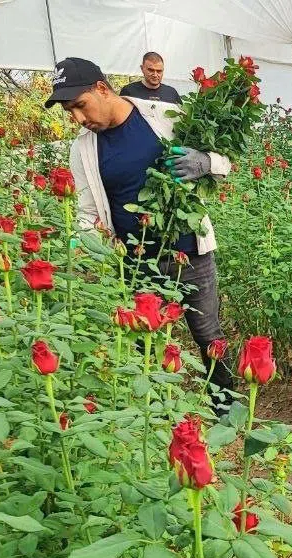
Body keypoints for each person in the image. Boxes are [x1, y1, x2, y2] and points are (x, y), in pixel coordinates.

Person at [46, 57, 235, 411]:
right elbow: (88, 212)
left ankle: (226, 411)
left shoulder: (164, 116)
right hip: (134, 266)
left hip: (190, 254)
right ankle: (160, 419)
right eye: (70, 112)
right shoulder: (83, 149)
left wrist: (205, 162)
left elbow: (227, 160)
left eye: (80, 106)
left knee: (208, 335)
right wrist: (81, 246)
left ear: (101, 89)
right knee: (143, 345)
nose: (78, 119)